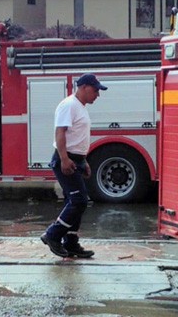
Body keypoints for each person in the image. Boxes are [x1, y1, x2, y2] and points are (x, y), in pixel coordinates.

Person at [40, 73, 107, 258]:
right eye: (95, 90)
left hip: (75, 159)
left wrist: (83, 161)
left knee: (76, 202)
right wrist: (64, 159)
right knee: (79, 201)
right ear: (84, 87)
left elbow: (77, 136)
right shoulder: (69, 105)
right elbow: (60, 132)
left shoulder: (80, 107)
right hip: (66, 158)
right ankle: (52, 235)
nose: (97, 95)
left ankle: (70, 243)